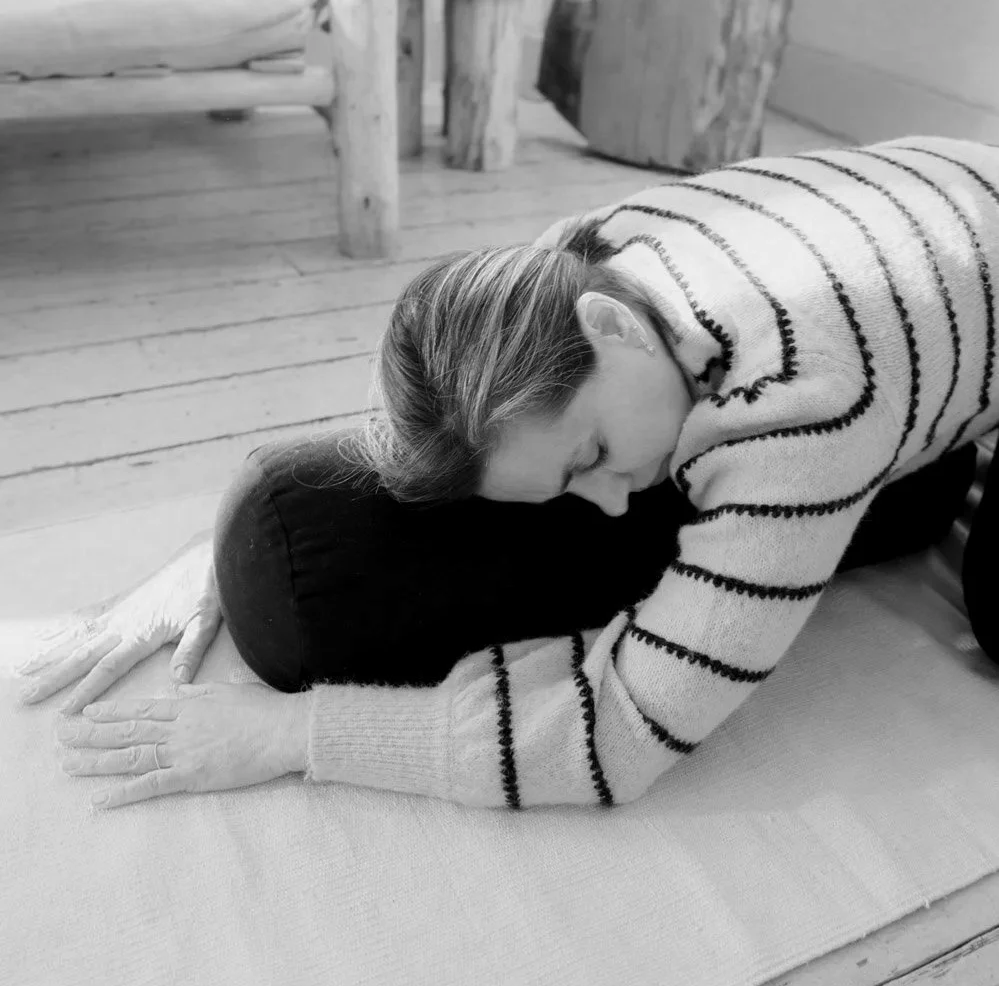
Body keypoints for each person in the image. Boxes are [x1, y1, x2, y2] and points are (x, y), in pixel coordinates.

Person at [15, 134, 999, 813]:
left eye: (595, 459)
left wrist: (293, 736)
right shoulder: (577, 264)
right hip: (926, 231)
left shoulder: (803, 406)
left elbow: (621, 738)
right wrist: (216, 550)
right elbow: (449, 392)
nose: (615, 505)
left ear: (611, 328)